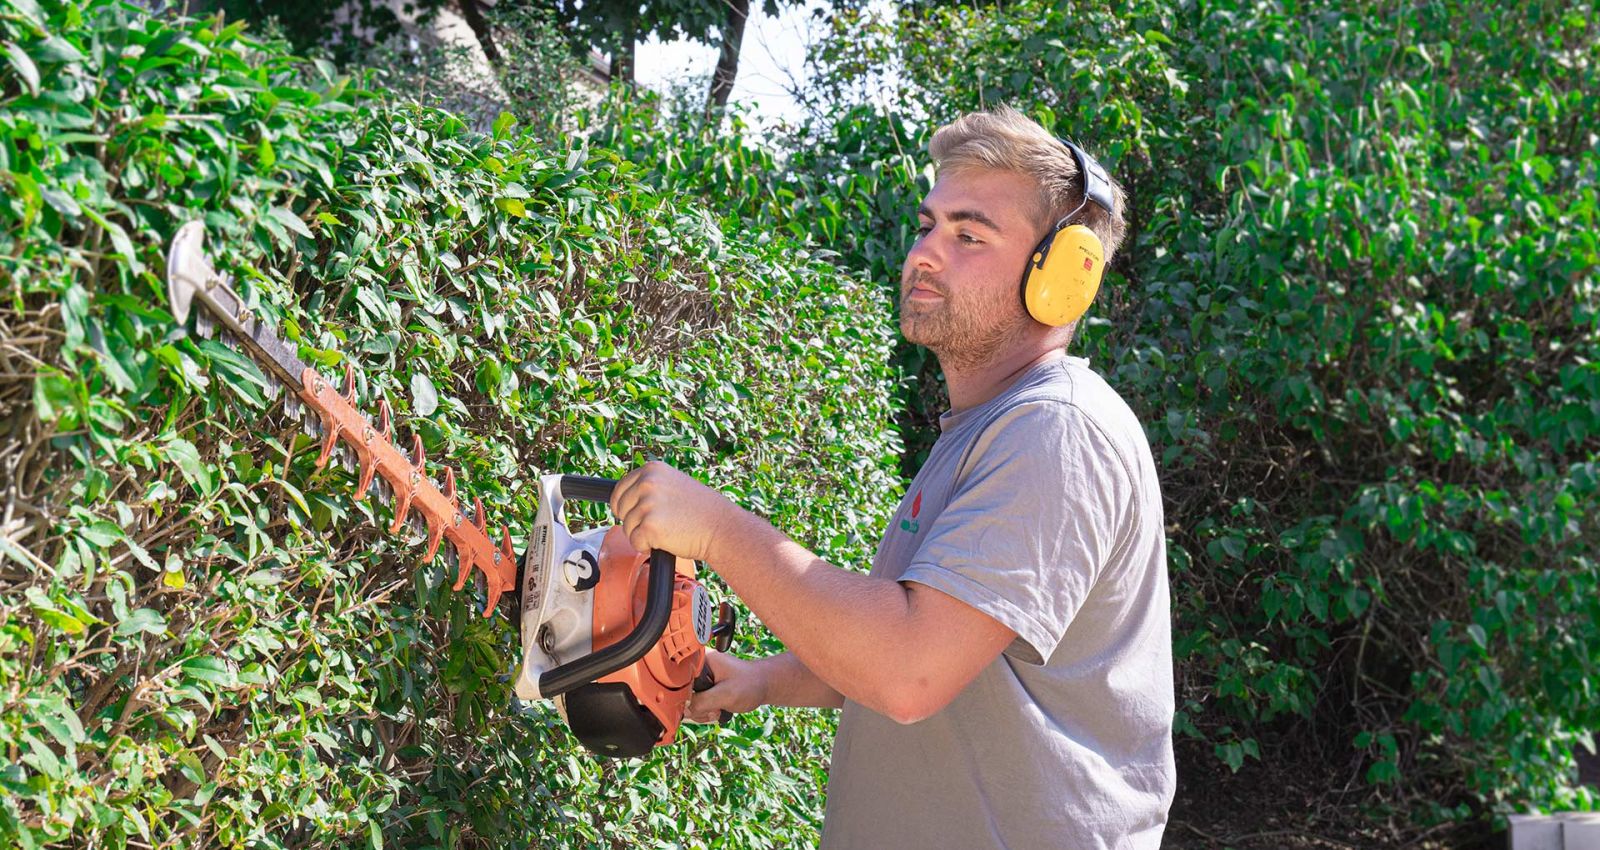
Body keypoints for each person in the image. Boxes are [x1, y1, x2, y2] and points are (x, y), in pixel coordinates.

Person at [608, 104, 1175, 850]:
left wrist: (716, 527)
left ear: (1066, 278)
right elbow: (938, 645)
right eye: (928, 225)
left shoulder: (1056, 433)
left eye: (968, 234)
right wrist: (764, 680)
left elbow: (909, 672)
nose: (926, 254)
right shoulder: (984, 431)